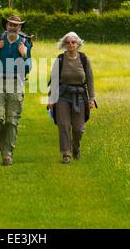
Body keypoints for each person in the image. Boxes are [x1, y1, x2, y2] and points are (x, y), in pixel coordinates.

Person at [0, 14, 32, 166]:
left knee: (12, 120)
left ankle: (7, 154)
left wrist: (24, 55)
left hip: (17, 83)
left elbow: (27, 69)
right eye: (10, 24)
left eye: (16, 25)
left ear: (20, 28)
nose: (13, 27)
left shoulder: (25, 43)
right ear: (6, 26)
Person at [47, 32, 96, 164]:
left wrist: (91, 99)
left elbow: (90, 79)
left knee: (78, 129)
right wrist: (51, 99)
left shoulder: (84, 59)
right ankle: (66, 153)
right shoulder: (60, 59)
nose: (70, 44)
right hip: (63, 96)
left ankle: (76, 146)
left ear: (78, 44)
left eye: (73, 42)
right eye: (67, 42)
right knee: (63, 125)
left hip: (80, 97)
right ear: (64, 44)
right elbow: (54, 80)